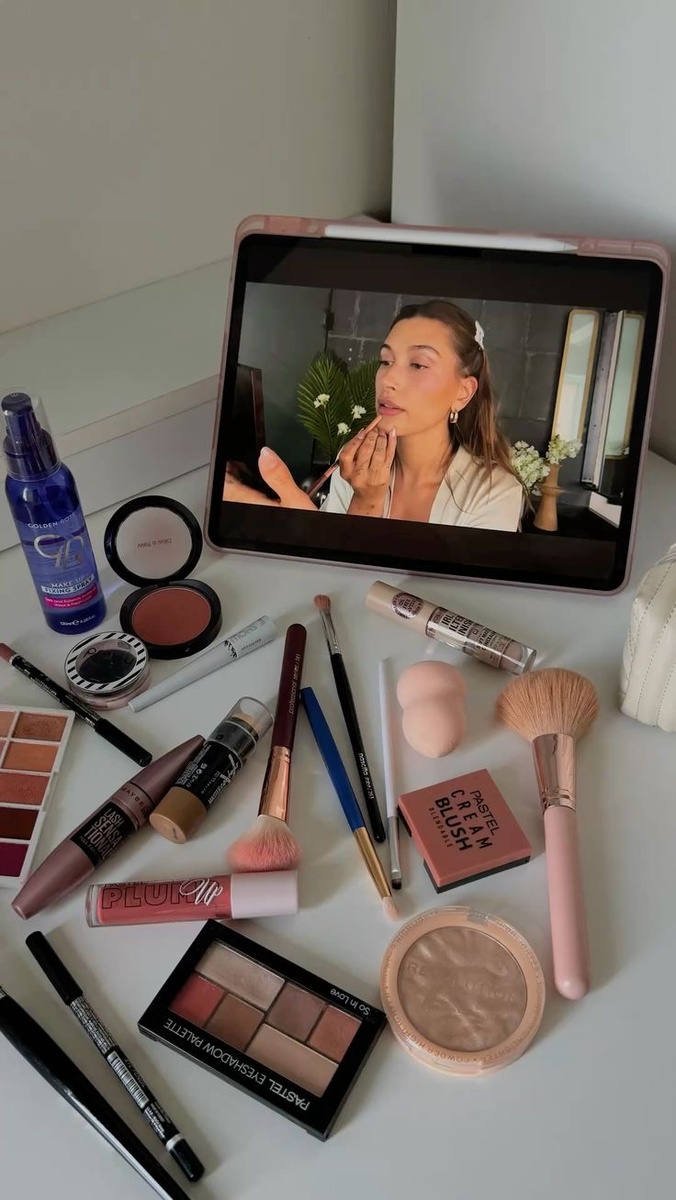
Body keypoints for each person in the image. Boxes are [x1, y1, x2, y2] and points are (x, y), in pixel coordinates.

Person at [224, 299, 525, 532]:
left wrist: (367, 502)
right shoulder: (354, 464)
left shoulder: (495, 494)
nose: (388, 379)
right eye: (385, 361)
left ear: (463, 392)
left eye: (418, 365)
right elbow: (331, 568)